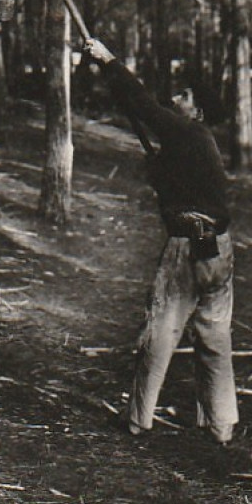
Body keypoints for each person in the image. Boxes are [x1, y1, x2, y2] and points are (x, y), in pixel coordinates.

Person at [83, 37, 238, 446]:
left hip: (188, 248)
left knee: (161, 331)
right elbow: (178, 184)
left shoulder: (188, 132)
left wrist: (108, 61)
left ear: (197, 110)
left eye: (184, 96)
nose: (175, 99)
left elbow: (142, 105)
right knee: (214, 336)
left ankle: (138, 420)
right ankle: (221, 425)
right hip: (219, 249)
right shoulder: (200, 143)